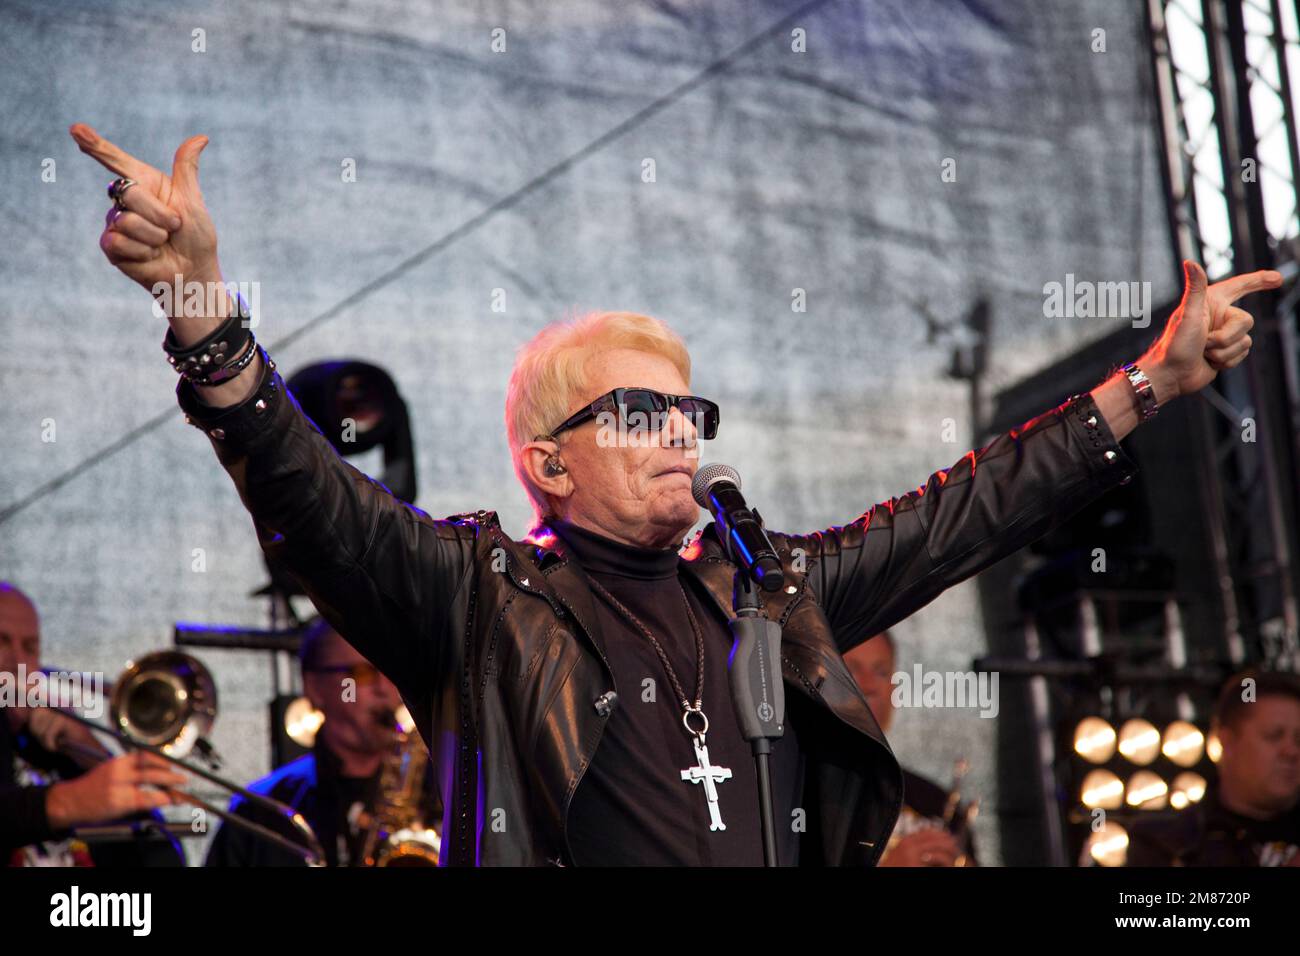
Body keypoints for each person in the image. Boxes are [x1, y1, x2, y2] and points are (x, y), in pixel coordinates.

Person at [71, 123, 1278, 866]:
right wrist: (199, 305)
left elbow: (971, 508)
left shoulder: (767, 594)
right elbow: (302, 486)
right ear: (548, 461)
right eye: (635, 413)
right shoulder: (475, 596)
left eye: (686, 412)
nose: (677, 434)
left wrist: (1153, 381)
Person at [205, 618, 439, 866]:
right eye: (363, 674)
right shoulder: (260, 812)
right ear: (314, 687)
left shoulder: (442, 793)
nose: (385, 688)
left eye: (391, 670)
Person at [0, 583, 187, 866]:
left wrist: (86, 746)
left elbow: (160, 859)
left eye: (30, 647)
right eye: (1, 642)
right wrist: (68, 802)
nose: (18, 663)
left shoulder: (57, 749)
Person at [1125, 668, 1300, 866]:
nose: (1291, 752)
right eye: (1273, 735)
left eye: (1299, 739)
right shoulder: (1165, 843)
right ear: (1227, 741)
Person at [844, 630, 976, 866]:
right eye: (853, 669)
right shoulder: (798, 794)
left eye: (881, 672)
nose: (869, 685)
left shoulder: (933, 803)